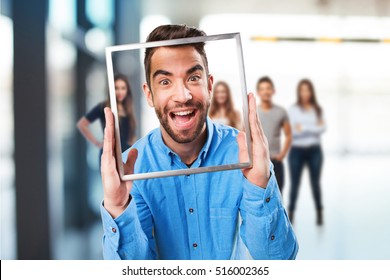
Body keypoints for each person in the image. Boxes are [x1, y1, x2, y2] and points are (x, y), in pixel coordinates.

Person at [100, 24, 298, 260]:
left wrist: (259, 185)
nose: (183, 96)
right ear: (149, 95)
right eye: (165, 82)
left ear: (210, 85)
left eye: (193, 78)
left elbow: (278, 261)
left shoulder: (243, 154)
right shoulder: (132, 168)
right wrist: (118, 206)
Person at [288, 79, 326, 225]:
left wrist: (304, 128)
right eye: (302, 90)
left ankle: (319, 212)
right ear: (299, 92)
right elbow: (293, 132)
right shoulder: (293, 110)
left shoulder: (317, 109)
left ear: (311, 92)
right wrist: (313, 128)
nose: (305, 93)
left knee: (315, 182)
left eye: (307, 90)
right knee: (295, 183)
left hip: (315, 150)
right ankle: (291, 214)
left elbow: (323, 129)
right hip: (297, 150)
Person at [77, 74, 137, 155]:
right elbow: (81, 124)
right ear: (111, 90)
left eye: (123, 88)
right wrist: (97, 143)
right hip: (109, 153)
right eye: (116, 88)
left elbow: (131, 134)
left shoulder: (128, 108)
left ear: (127, 90)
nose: (120, 92)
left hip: (125, 153)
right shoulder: (103, 107)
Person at [256, 77, 292, 193]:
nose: (265, 91)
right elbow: (245, 135)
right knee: (260, 195)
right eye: (262, 89)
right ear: (258, 92)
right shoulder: (253, 112)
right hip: (259, 162)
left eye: (268, 88)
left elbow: (289, 135)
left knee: (278, 196)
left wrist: (282, 154)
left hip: (276, 162)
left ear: (273, 91)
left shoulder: (281, 111)